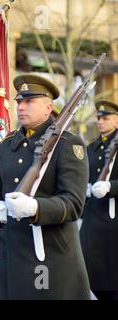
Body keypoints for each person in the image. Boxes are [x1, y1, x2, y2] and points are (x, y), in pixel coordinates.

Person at [0, 74, 90, 299]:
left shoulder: (67, 144)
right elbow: (1, 202)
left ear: (48, 107)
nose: (21, 107)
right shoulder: (6, 146)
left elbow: (74, 204)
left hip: (48, 254)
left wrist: (35, 208)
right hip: (10, 252)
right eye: (19, 102)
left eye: (29, 101)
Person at [80, 99, 118, 300]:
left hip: (113, 223)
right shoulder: (91, 148)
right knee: (93, 276)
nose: (101, 121)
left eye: (106, 117)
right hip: (93, 220)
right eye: (99, 117)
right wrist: (83, 188)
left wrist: (111, 187)